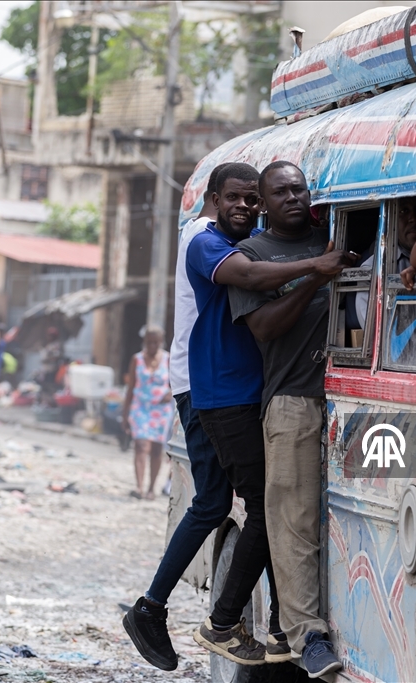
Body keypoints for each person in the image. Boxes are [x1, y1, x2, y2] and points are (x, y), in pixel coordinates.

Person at [122, 162, 353, 671]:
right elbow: (247, 276)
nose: (246, 208)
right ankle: (201, 617)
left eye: (253, 200)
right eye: (239, 198)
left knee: (229, 502)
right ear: (213, 198)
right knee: (242, 505)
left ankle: (260, 624)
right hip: (215, 390)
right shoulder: (206, 240)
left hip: (238, 389)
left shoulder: (240, 239)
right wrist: (315, 268)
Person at [227, 161, 345, 678]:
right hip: (292, 400)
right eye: (281, 192)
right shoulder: (253, 255)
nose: (293, 197)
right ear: (263, 204)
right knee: (294, 523)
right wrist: (314, 274)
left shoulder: (333, 235)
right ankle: (308, 636)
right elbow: (266, 328)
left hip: (349, 396)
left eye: (299, 188)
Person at [352, 194, 416, 326]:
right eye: (403, 211)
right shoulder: (374, 268)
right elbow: (375, 330)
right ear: (390, 219)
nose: (414, 218)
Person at [122, 326, 173, 500]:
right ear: (144, 341)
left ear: (161, 341)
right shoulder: (136, 359)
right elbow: (130, 388)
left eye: (156, 342)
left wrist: (171, 392)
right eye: (149, 341)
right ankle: (139, 487)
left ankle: (152, 488)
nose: (152, 345)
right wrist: (124, 415)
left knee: (157, 449)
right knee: (141, 446)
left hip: (161, 410)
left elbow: (179, 381)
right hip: (140, 408)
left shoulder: (168, 359)